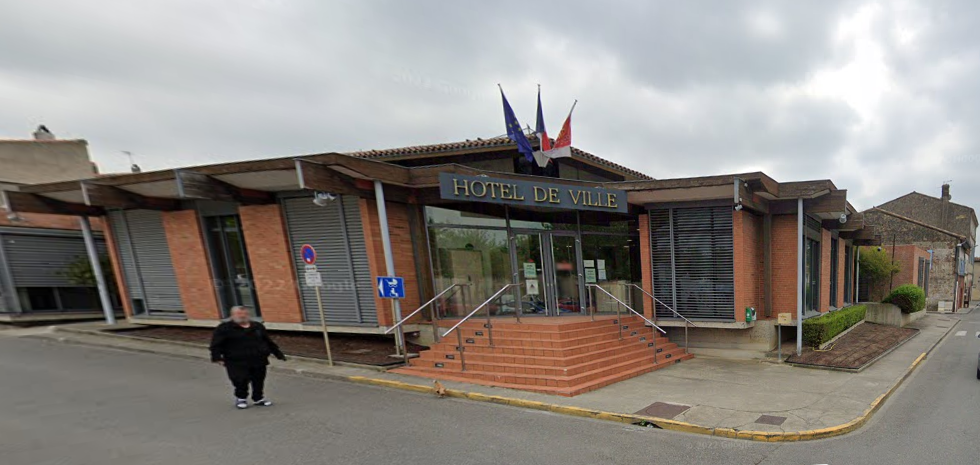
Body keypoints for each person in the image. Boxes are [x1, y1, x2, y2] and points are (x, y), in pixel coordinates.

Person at [209, 306, 287, 409]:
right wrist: (217, 357)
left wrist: (277, 353)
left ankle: (258, 398)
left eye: (245, 314)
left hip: (258, 359)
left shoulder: (257, 326)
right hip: (236, 361)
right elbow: (216, 344)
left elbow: (267, 341)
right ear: (232, 315)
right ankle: (241, 398)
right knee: (240, 379)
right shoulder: (224, 328)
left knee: (258, 379)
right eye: (239, 314)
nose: (242, 316)